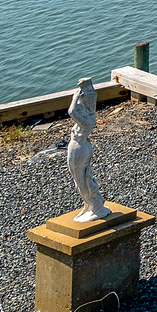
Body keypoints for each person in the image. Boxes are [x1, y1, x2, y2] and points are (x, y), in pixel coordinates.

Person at [66, 78, 110, 223]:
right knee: (81, 178)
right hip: (81, 146)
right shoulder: (87, 112)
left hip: (79, 148)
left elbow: (72, 111)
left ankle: (96, 206)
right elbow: (77, 109)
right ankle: (88, 204)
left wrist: (74, 98)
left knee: (82, 179)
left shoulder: (89, 120)